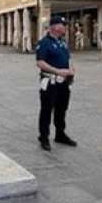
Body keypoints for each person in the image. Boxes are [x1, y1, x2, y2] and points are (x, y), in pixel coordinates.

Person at [35, 16, 78, 151]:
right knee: (47, 109)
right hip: (50, 81)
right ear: (54, 27)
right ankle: (44, 137)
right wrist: (58, 71)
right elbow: (40, 62)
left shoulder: (62, 42)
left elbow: (68, 58)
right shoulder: (44, 43)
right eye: (63, 24)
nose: (65, 27)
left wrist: (71, 69)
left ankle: (60, 134)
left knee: (62, 108)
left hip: (64, 82)